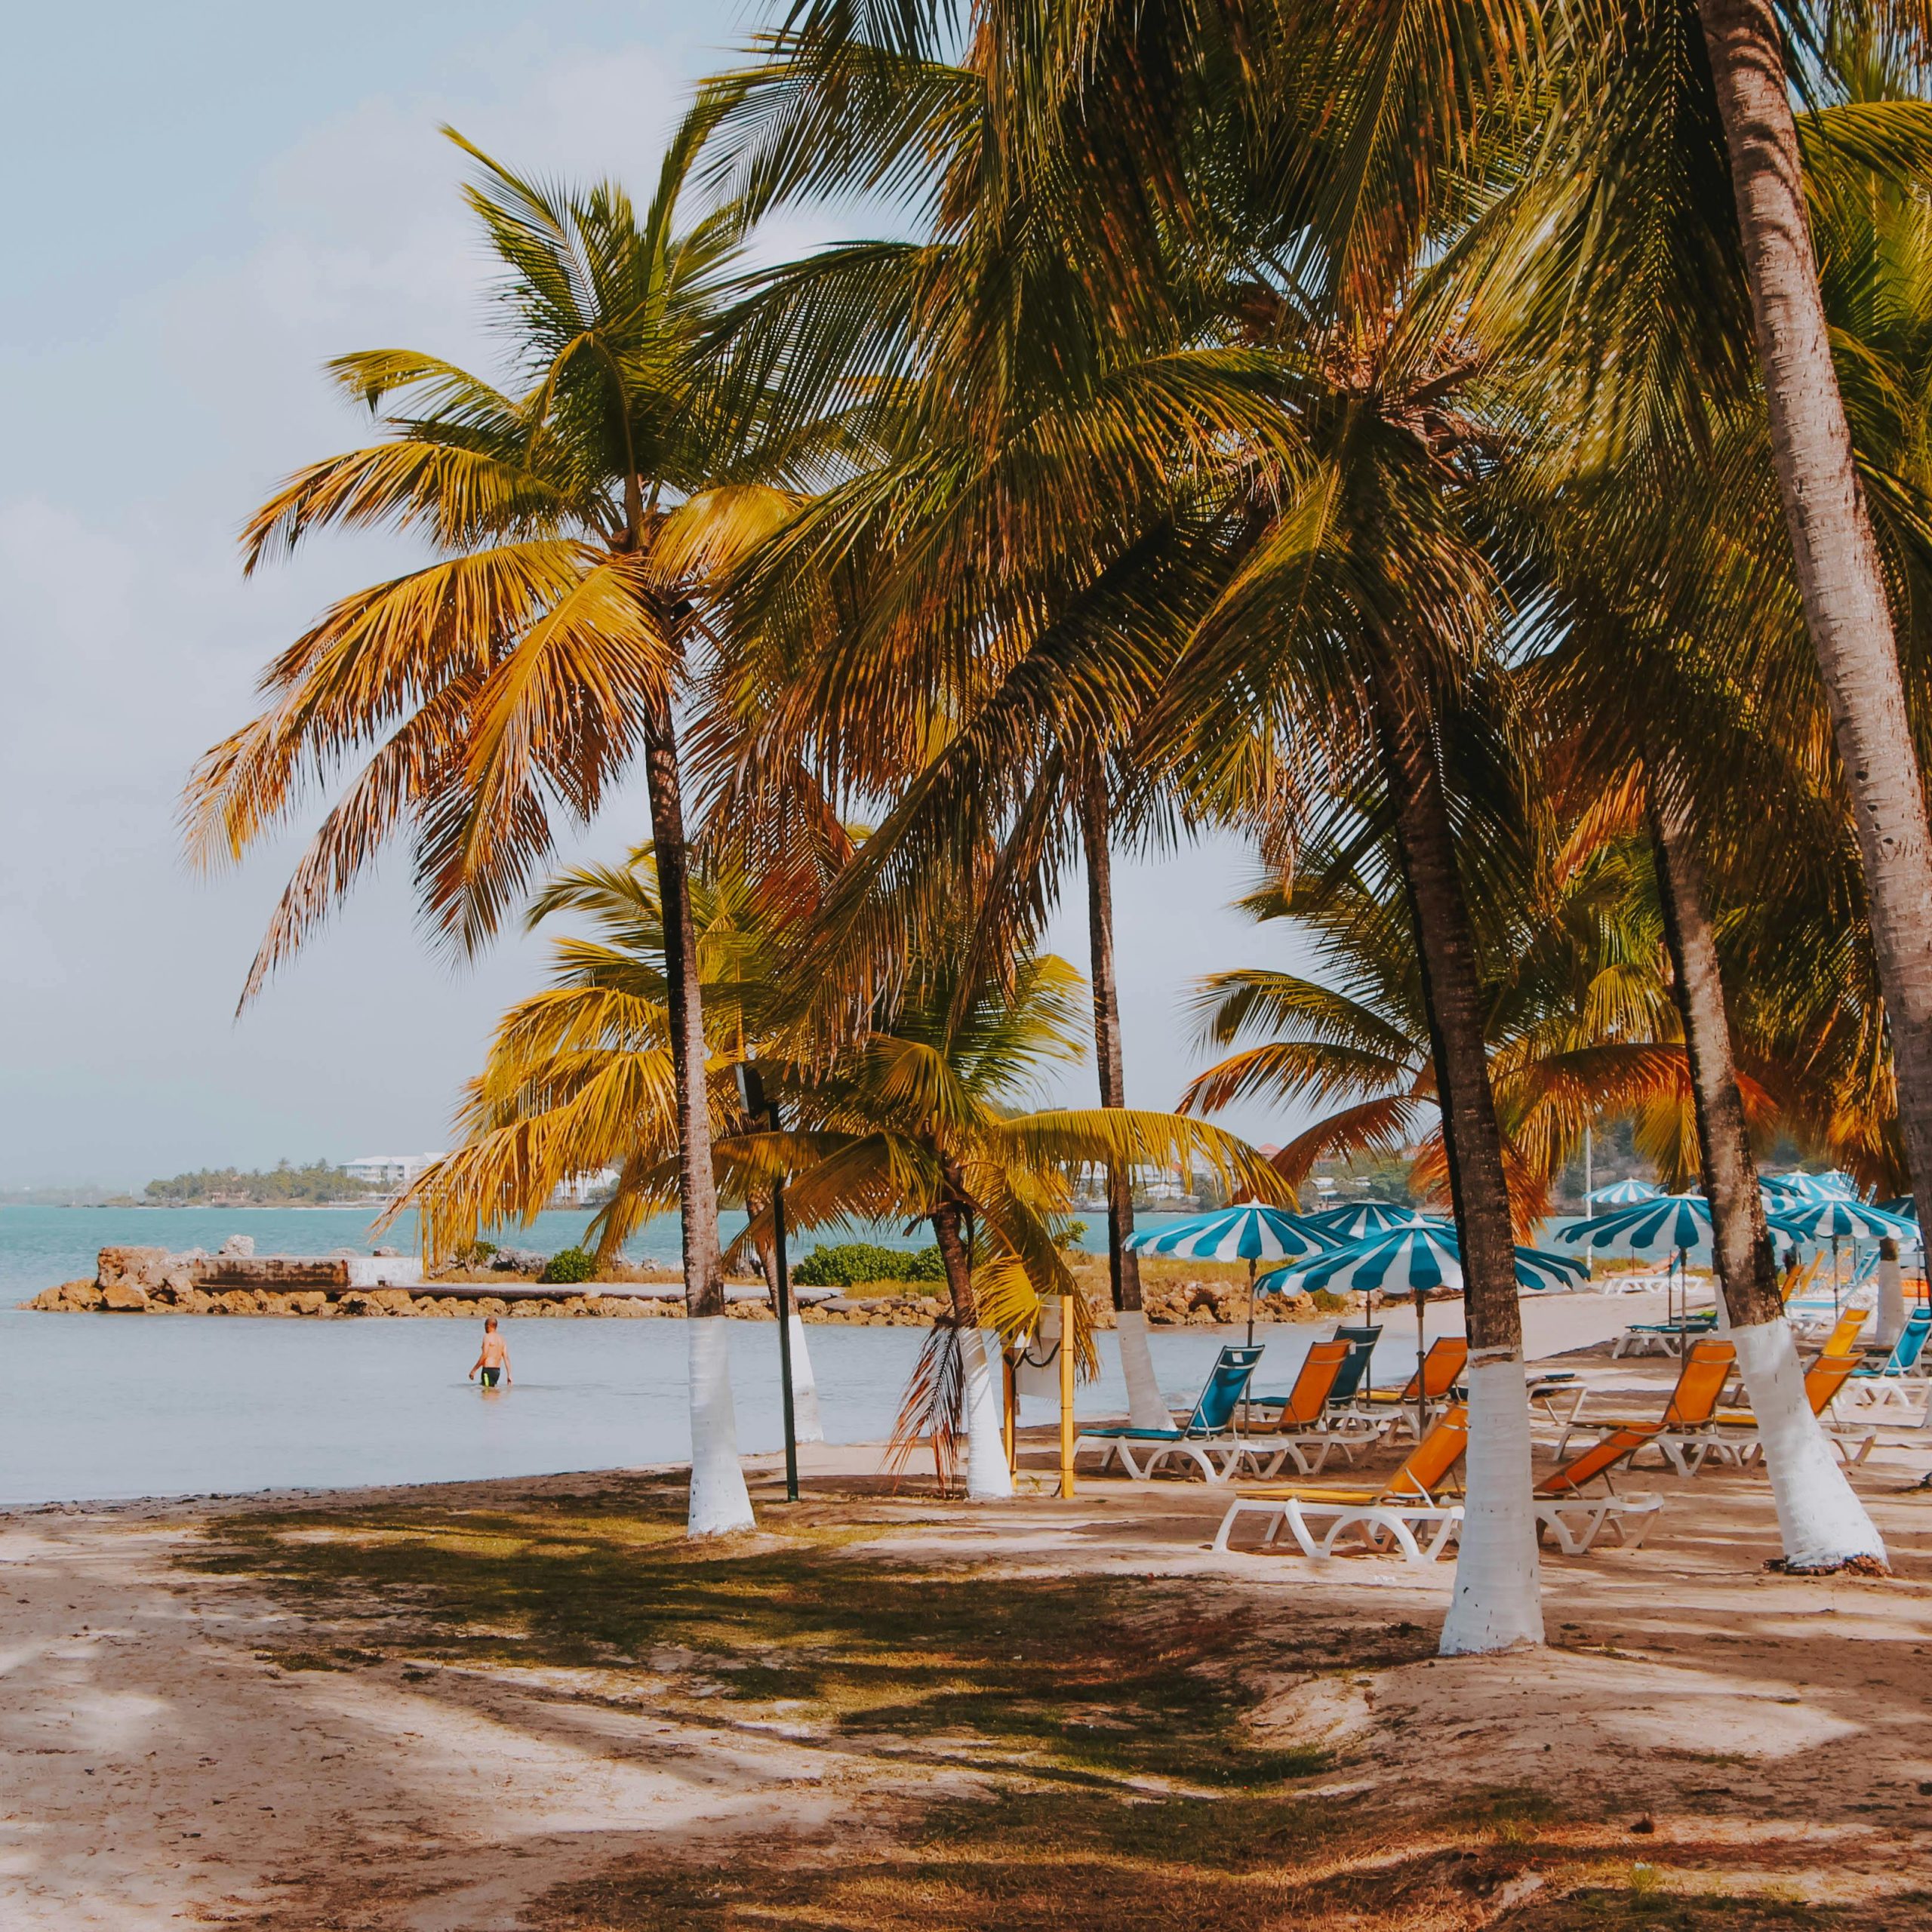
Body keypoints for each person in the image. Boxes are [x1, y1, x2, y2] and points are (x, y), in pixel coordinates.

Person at [469, 1317, 512, 1389]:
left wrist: (474, 1370)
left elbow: (484, 1355)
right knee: (494, 1395)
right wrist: (509, 1375)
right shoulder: (502, 1339)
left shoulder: (487, 1337)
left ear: (488, 1326)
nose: (484, 1328)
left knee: (486, 1394)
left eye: (485, 1325)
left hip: (488, 1371)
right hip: (497, 1372)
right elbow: (506, 1358)